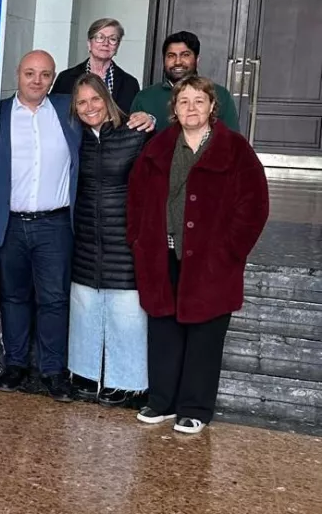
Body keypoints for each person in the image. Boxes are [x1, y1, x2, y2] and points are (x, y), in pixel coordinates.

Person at [127, 76, 269, 434]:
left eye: (199, 101)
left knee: (204, 336)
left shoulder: (235, 149)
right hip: (163, 255)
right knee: (163, 331)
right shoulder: (157, 148)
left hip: (211, 261)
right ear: (173, 108)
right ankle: (162, 401)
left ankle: (195, 408)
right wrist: (140, 241)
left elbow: (254, 206)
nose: (191, 108)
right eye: (184, 101)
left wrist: (230, 250)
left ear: (211, 107)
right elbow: (137, 200)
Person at [0, 50, 82, 402]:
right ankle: (15, 365)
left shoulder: (67, 110)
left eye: (45, 74)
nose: (37, 81)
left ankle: (53, 371)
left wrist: (144, 115)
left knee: (55, 300)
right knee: (13, 297)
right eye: (30, 73)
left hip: (55, 224)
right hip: (10, 223)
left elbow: (107, 116)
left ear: (54, 77)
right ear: (18, 74)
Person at [67, 74, 148, 407]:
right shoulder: (75, 137)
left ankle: (127, 382)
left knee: (127, 312)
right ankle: (84, 374)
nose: (90, 108)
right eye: (82, 102)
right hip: (86, 234)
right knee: (85, 307)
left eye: (95, 99)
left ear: (107, 99)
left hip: (123, 235)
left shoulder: (135, 133)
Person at [128, 31, 239, 132]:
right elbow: (131, 144)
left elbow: (233, 142)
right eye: (171, 56)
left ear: (197, 59)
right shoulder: (145, 97)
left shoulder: (218, 94)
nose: (177, 62)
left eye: (185, 55)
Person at [52, 18, 141, 113]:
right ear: (89, 43)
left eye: (112, 39)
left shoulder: (130, 83)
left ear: (117, 46)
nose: (106, 43)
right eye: (100, 37)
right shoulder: (65, 78)